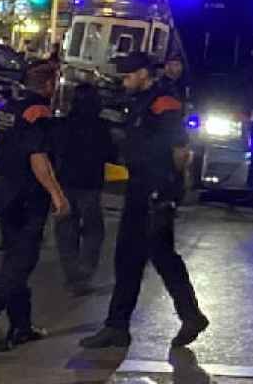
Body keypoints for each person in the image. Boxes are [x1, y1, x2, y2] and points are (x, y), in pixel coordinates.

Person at [80, 52, 208, 350]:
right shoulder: (139, 100)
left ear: (142, 74)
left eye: (127, 76)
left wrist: (171, 189)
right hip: (138, 187)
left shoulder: (164, 102)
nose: (124, 81)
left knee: (157, 255)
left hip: (156, 190)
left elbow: (180, 150)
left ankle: (188, 315)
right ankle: (119, 326)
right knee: (131, 258)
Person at [0, 61, 69, 351]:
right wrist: (57, 195)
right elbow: (38, 158)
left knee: (14, 259)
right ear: (48, 85)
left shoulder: (8, 109)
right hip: (28, 197)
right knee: (20, 264)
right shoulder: (39, 112)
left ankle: (21, 325)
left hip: (6, 191)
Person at [54, 83, 117, 294]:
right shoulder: (101, 127)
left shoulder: (63, 125)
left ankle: (72, 274)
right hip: (90, 184)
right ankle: (85, 271)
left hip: (65, 183)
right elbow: (111, 154)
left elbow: (55, 151)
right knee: (93, 230)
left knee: (66, 230)